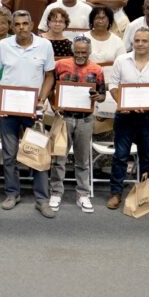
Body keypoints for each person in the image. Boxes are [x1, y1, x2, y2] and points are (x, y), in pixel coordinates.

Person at [0, 10, 56, 217]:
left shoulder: (44, 45)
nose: (21, 28)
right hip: (9, 109)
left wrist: (42, 99)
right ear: (12, 26)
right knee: (9, 154)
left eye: (25, 24)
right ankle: (12, 193)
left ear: (32, 24)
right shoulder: (3, 46)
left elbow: (49, 76)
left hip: (33, 109)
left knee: (37, 153)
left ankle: (42, 199)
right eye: (17, 24)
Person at [105, 28, 149, 210]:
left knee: (148, 157)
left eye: (144, 41)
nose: (140, 44)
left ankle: (146, 195)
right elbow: (113, 84)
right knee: (120, 156)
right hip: (125, 117)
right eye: (137, 40)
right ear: (132, 42)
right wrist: (121, 102)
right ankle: (116, 193)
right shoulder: (121, 60)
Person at [48, 36, 105, 213]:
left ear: (89, 52)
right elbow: (49, 89)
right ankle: (56, 192)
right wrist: (54, 105)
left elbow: (102, 94)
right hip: (64, 118)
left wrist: (98, 97)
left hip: (85, 119)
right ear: (73, 50)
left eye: (84, 52)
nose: (80, 55)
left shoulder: (97, 69)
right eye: (77, 51)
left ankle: (83, 195)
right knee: (59, 158)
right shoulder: (60, 65)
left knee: (82, 160)